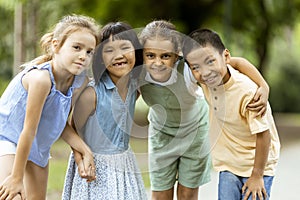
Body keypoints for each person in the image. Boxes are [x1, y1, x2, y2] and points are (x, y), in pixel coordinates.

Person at [138, 20, 270, 200]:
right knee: (160, 194)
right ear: (142, 55)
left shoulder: (188, 69)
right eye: (150, 55)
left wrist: (263, 85)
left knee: (187, 194)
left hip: (195, 134)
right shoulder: (138, 75)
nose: (157, 62)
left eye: (165, 56)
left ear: (177, 56)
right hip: (162, 136)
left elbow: (235, 62)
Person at [0, 14, 100, 200]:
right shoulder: (41, 79)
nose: (83, 56)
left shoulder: (79, 81)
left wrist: (85, 150)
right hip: (8, 139)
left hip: (37, 147)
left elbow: (60, 123)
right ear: (56, 45)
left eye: (89, 51)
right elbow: (28, 131)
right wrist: (16, 177)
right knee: (12, 195)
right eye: (77, 47)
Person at [182, 28, 280, 200]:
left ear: (226, 57)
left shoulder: (248, 93)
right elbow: (237, 61)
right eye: (196, 67)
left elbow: (264, 135)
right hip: (230, 163)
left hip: (257, 164)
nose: (205, 72)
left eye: (210, 62)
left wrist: (257, 175)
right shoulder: (205, 80)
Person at [62, 22, 147, 200]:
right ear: (100, 58)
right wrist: (81, 159)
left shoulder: (134, 87)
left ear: (136, 52)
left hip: (125, 165)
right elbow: (72, 128)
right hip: (95, 169)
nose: (118, 55)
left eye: (125, 47)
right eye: (109, 50)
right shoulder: (92, 94)